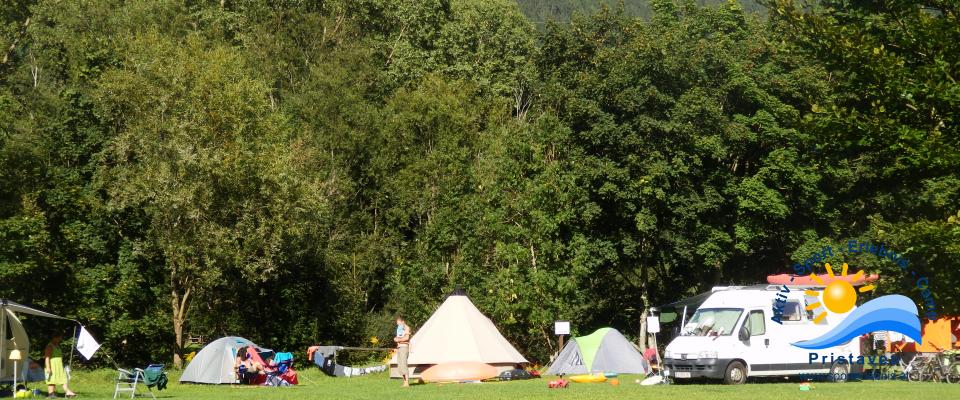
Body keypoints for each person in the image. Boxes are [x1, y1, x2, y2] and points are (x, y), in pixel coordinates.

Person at [44, 333, 76, 398]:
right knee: (52, 379)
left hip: (59, 366)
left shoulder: (57, 346)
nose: (60, 339)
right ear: (54, 338)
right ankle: (51, 394)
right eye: (59, 338)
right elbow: (47, 357)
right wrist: (48, 367)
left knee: (63, 378)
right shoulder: (49, 346)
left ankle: (67, 392)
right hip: (52, 365)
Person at [393, 316, 412, 387]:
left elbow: (406, 338)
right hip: (399, 347)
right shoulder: (400, 329)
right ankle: (404, 382)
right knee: (400, 365)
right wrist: (396, 338)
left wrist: (398, 340)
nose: (398, 325)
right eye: (398, 324)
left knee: (404, 364)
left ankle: (407, 382)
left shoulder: (407, 328)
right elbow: (400, 337)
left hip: (404, 347)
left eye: (399, 323)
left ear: (403, 321)